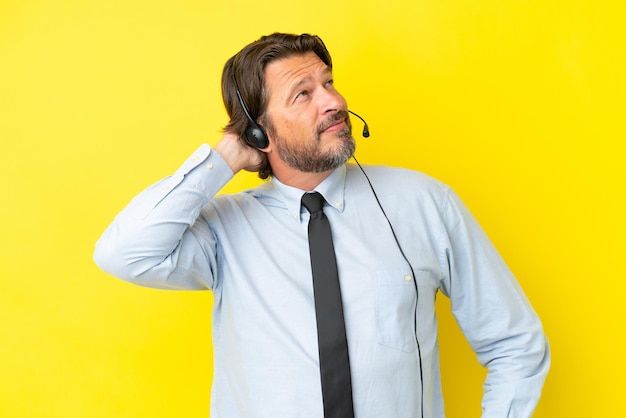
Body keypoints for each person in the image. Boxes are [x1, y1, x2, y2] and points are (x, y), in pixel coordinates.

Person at [94, 33, 550, 418]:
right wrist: (226, 157)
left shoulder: (423, 203)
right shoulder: (223, 233)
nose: (334, 102)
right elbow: (124, 253)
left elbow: (515, 343)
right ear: (260, 132)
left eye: (329, 83)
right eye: (304, 93)